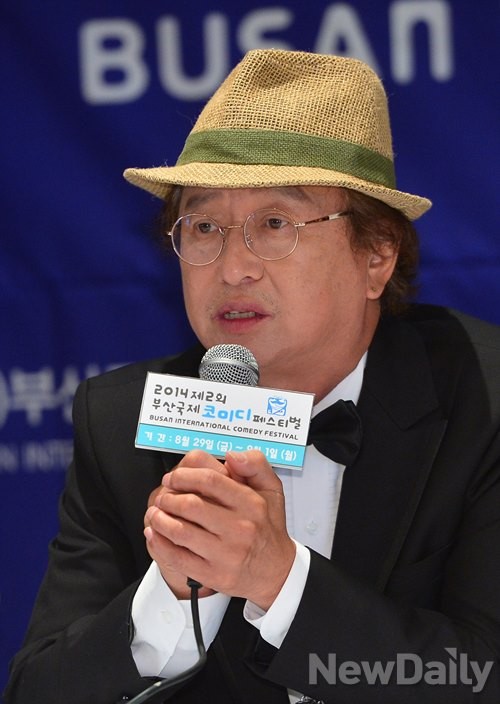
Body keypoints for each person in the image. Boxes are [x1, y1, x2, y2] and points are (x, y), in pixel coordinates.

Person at [5, 48, 500, 704]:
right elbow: (39, 691)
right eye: (204, 225)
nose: (233, 266)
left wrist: (280, 581)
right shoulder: (121, 421)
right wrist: (172, 596)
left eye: (274, 224)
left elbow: (481, 676)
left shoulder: (484, 398)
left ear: (377, 257)